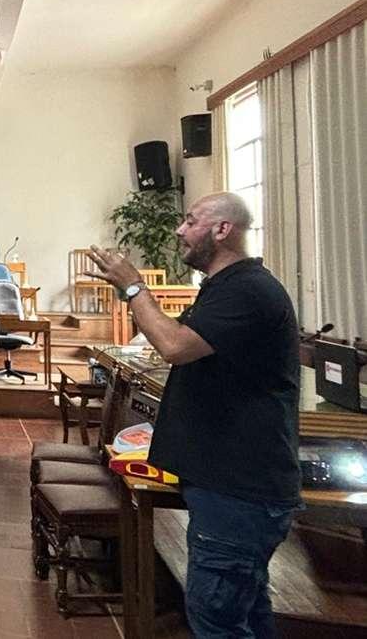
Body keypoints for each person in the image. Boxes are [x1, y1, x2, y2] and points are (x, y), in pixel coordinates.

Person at [87, 191, 301, 639]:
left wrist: (134, 287)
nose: (179, 230)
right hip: (230, 486)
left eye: (190, 221)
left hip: (238, 490)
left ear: (222, 230)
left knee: (217, 622)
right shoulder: (226, 286)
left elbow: (175, 345)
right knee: (244, 616)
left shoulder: (248, 289)